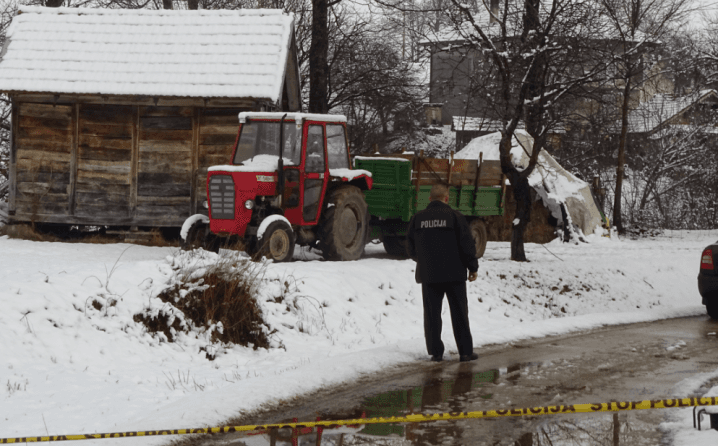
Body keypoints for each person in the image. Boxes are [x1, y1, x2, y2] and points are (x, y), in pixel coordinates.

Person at [406, 183, 479, 362]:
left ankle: (436, 352)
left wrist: (423, 260)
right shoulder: (455, 217)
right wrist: (472, 267)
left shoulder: (418, 218)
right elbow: (467, 245)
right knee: (459, 313)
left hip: (429, 275)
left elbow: (409, 246)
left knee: (432, 315)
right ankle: (465, 352)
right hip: (454, 275)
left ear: (429, 199)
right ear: (447, 199)